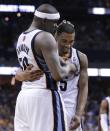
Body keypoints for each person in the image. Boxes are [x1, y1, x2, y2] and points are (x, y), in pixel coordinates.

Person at [15, 20, 88, 131]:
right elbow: (20, 70)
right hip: (48, 106)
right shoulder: (44, 50)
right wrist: (21, 75)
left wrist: (79, 113)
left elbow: (83, 88)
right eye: (64, 41)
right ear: (55, 36)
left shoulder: (81, 58)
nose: (68, 45)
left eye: (71, 41)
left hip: (70, 110)